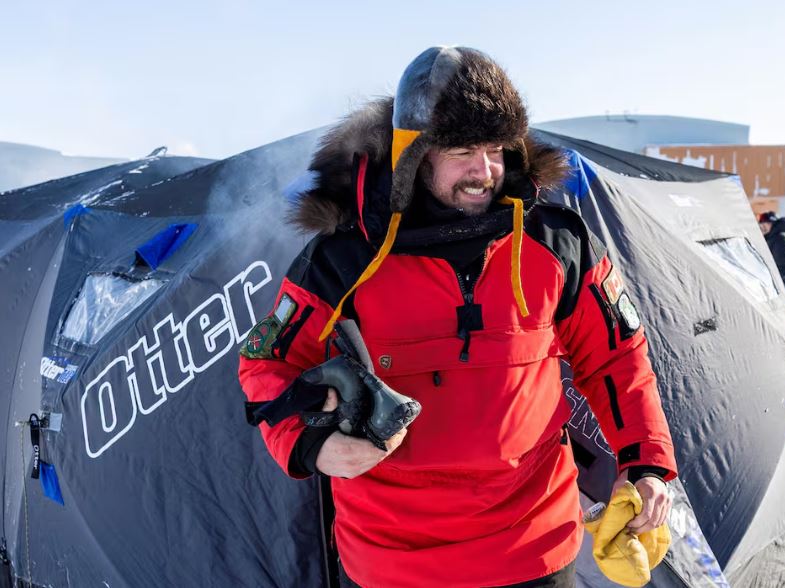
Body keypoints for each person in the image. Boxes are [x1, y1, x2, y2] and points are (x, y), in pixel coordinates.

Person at [238, 46, 677, 588]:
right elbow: (267, 365)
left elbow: (617, 358)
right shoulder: (345, 259)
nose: (484, 170)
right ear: (415, 156)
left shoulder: (556, 243)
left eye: (496, 149)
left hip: (534, 551)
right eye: (463, 149)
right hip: (390, 561)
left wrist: (646, 464)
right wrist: (313, 444)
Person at [759, 211, 785, 300]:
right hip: (776, 287)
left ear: (773, 224)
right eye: (761, 225)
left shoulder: (781, 239)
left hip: (780, 288)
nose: (762, 228)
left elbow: (783, 266)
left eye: (765, 224)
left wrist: (775, 284)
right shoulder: (773, 238)